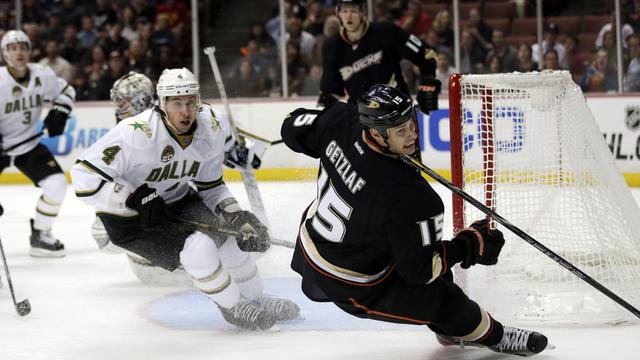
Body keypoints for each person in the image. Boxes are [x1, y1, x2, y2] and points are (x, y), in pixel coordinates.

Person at [280, 84, 551, 357]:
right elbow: (419, 272)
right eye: (400, 131)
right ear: (375, 132)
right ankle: (495, 336)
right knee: (445, 297)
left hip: (313, 242)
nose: (412, 135)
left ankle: (449, 327)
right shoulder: (412, 197)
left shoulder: (340, 119)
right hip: (351, 282)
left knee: (420, 240)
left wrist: (327, 130)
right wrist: (468, 245)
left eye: (411, 123)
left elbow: (290, 127)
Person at [71, 68, 298, 330]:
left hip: (176, 200)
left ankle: (257, 299)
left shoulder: (211, 126)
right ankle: (233, 307)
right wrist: (131, 198)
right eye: (177, 103)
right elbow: (82, 176)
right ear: (162, 103)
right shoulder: (136, 133)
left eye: (191, 102)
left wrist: (235, 215)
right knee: (199, 248)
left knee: (231, 241)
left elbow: (211, 186)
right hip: (130, 219)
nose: (186, 111)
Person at [0, 30, 76, 257]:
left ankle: (41, 234)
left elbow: (67, 90)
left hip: (28, 145)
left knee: (57, 184)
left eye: (23, 47)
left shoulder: (43, 75)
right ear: (6, 53)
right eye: (13, 48)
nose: (19, 52)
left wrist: (60, 111)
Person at [318, 0, 440, 116]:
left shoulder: (386, 32)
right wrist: (323, 117)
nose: (349, 17)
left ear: (362, 12)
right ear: (338, 13)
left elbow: (427, 55)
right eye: (345, 11)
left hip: (396, 109)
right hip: (360, 116)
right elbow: (330, 91)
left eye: (354, 11)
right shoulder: (332, 46)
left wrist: (428, 84)